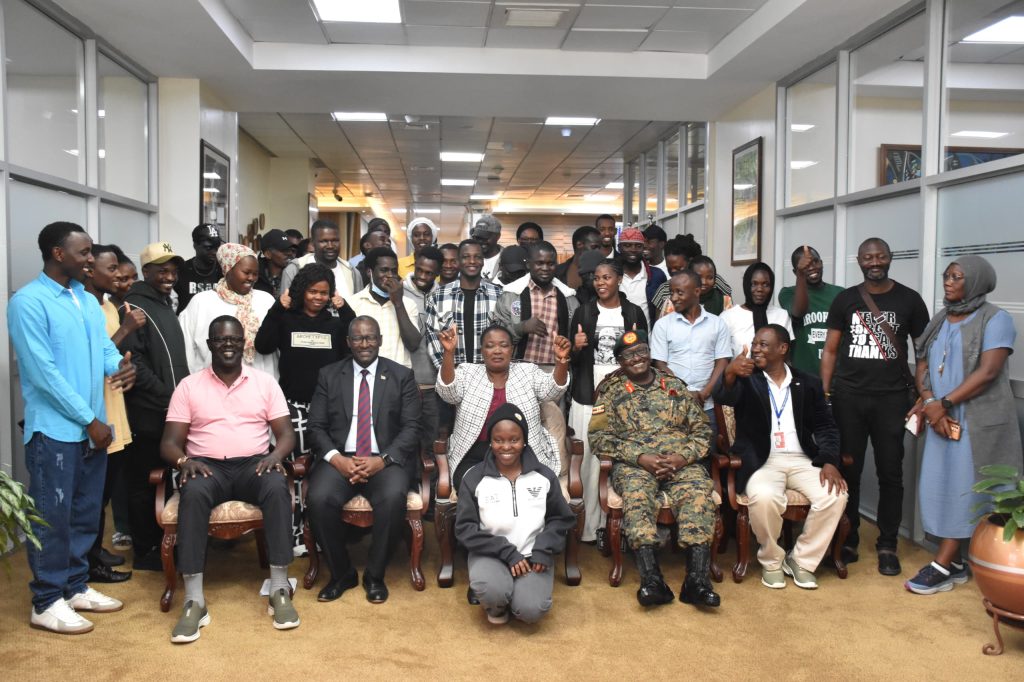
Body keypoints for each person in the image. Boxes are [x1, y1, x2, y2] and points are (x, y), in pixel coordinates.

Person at [9, 221, 136, 634]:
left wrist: (120, 367)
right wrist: (90, 420)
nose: (90, 260)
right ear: (58, 254)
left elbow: (102, 348)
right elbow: (43, 373)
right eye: (84, 253)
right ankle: (46, 600)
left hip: (93, 428)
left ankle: (76, 586)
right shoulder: (28, 302)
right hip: (56, 432)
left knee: (85, 513)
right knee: (53, 517)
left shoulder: (84, 298)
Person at [161, 316, 299, 642]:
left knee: (277, 486)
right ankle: (194, 601)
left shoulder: (265, 383)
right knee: (193, 493)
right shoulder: (189, 386)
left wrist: (275, 457)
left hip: (254, 465)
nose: (228, 345)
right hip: (207, 467)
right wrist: (184, 462)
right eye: (221, 339)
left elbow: (286, 435)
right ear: (210, 344)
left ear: (244, 344)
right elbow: (169, 442)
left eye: (235, 339)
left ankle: (279, 590)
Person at [905, 256, 1021, 595]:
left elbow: (988, 372)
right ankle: (955, 563)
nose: (948, 281)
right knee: (938, 487)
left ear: (976, 281)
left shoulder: (995, 319)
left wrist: (944, 404)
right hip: (941, 420)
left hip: (976, 422)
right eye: (947, 275)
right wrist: (930, 402)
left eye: (957, 277)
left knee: (964, 489)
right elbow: (922, 363)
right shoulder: (941, 318)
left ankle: (943, 563)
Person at [820, 237, 929, 576]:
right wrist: (825, 394)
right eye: (868, 257)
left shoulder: (910, 300)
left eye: (880, 256)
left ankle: (887, 544)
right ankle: (848, 539)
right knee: (848, 471)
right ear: (859, 261)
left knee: (890, 472)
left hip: (892, 399)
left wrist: (924, 395)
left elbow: (922, 354)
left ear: (890, 258)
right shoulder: (845, 299)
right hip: (848, 397)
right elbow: (831, 350)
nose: (875, 262)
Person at [589, 330, 719, 608]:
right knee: (637, 495)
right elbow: (598, 439)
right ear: (620, 362)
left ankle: (697, 581)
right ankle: (651, 580)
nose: (636, 358)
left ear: (649, 354)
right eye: (628, 355)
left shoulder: (674, 386)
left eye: (641, 351)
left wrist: (682, 457)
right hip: (635, 466)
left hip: (680, 462)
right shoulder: (610, 392)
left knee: (698, 493)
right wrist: (640, 458)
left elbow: (703, 431)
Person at [713, 325, 847, 590]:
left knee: (835, 495)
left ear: (782, 348)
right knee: (764, 497)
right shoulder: (747, 379)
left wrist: (830, 461)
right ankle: (772, 560)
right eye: (754, 344)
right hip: (763, 461)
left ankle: (801, 560)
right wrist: (729, 373)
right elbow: (724, 396)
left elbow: (825, 426)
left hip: (802, 459)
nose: (756, 349)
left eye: (763, 344)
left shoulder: (808, 382)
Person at [305, 316, 422, 604]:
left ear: (380, 340)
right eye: (358, 338)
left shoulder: (401, 376)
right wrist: (337, 460)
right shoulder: (329, 375)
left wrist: (383, 460)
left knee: (393, 497)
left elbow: (411, 428)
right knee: (318, 498)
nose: (364, 343)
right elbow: (315, 427)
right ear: (348, 342)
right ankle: (341, 573)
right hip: (341, 458)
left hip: (385, 460)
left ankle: (375, 575)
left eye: (370, 337)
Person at [255, 263, 354, 551]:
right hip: (294, 407)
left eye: (324, 292)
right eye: (313, 291)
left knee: (325, 470)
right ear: (301, 291)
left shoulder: (335, 324)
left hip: (329, 410)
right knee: (296, 472)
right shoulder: (287, 319)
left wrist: (345, 309)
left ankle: (322, 534)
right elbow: (262, 344)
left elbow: (357, 343)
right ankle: (297, 534)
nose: (318, 297)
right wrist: (278, 307)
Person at [455, 404, 575, 625]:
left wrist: (544, 549)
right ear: (490, 441)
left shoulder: (544, 476)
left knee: (531, 610)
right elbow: (465, 529)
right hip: (491, 554)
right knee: (492, 591)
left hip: (533, 556)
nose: (506, 446)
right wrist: (507, 552)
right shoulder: (474, 478)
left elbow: (560, 518)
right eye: (498, 440)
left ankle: (517, 596)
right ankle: (497, 604)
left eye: (514, 439)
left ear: (524, 440)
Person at [121, 242, 191, 572]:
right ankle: (146, 550)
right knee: (144, 483)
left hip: (169, 411)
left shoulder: (163, 303)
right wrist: (169, 396)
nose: (169, 276)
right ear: (145, 271)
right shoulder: (135, 306)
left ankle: (164, 543)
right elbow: (136, 365)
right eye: (162, 270)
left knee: (162, 480)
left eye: (173, 271)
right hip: (148, 413)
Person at [567, 259, 648, 541]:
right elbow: (571, 359)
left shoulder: (634, 312)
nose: (600, 283)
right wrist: (576, 348)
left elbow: (643, 358)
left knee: (622, 460)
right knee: (588, 461)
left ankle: (619, 529)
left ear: (619, 280)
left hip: (625, 397)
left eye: (606, 278)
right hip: (587, 395)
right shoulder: (583, 312)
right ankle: (589, 529)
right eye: (597, 278)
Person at [436, 324, 570, 489]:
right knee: (475, 486)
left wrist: (561, 361)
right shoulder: (468, 372)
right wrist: (449, 353)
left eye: (504, 345)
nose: (497, 351)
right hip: (474, 453)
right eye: (490, 346)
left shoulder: (528, 372)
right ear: (482, 351)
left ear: (512, 350)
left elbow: (553, 390)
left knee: (529, 487)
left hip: (522, 451)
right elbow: (448, 393)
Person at [83, 243, 146, 584]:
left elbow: (112, 355)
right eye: (112, 270)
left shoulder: (107, 305)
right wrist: (126, 328)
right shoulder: (82, 306)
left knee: (103, 492)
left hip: (115, 405)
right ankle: (89, 562)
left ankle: (94, 551)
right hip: (95, 411)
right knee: (91, 495)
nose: (119, 276)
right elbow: (91, 356)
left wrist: (126, 365)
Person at [650, 270, 733, 438]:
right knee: (672, 449)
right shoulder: (663, 325)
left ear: (697, 291)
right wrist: (685, 392)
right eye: (672, 292)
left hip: (707, 404)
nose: (673, 298)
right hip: (673, 404)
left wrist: (706, 392)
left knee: (708, 450)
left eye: (679, 292)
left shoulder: (717, 324)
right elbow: (659, 364)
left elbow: (722, 361)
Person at [179, 243, 278, 377]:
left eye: (255, 274)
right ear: (227, 270)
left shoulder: (265, 300)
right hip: (211, 383)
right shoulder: (202, 302)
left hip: (259, 383)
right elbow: (187, 349)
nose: (251, 278)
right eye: (246, 272)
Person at [424, 239, 504, 369]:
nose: (472, 261)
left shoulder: (499, 295)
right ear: (458, 261)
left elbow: (505, 339)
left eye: (477, 257)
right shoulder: (437, 297)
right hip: (452, 375)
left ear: (483, 261)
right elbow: (433, 338)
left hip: (490, 375)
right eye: (466, 257)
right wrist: (449, 373)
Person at [347, 247, 422, 369]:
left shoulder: (408, 304)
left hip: (399, 375)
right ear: (369, 272)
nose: (390, 275)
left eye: (394, 271)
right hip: (365, 374)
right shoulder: (353, 303)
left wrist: (398, 303)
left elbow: (413, 344)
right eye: (384, 270)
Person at [402, 247, 445, 452]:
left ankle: (429, 473)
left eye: (429, 273)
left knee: (431, 440)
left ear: (437, 274)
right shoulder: (400, 293)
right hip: (406, 381)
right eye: (419, 270)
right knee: (405, 438)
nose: (422, 276)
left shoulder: (444, 295)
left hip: (434, 385)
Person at [778, 245, 843, 376]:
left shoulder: (840, 293)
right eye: (805, 265)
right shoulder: (787, 293)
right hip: (804, 377)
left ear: (821, 263)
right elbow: (798, 312)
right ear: (795, 272)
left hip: (837, 375)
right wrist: (801, 275)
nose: (812, 267)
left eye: (815, 261)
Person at [280, 219, 361, 304]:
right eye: (324, 241)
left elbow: (359, 307)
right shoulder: (295, 269)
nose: (330, 246)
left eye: (335, 241)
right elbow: (285, 306)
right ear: (312, 243)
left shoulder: (352, 272)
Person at [720, 262, 793, 356]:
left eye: (765, 284)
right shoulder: (728, 317)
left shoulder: (782, 315)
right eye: (754, 284)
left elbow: (788, 356)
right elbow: (720, 358)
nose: (760, 289)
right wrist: (733, 365)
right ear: (746, 285)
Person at [618, 228, 667, 324]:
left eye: (638, 246)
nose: (633, 249)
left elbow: (664, 309)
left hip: (648, 333)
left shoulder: (657, 275)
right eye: (627, 245)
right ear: (619, 248)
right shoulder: (611, 274)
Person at [174, 224, 223, 314]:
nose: (214, 252)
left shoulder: (224, 271)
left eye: (217, 247)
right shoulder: (181, 270)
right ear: (195, 245)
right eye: (208, 248)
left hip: (217, 321)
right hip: (188, 322)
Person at [555, 225, 601, 289]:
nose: (598, 251)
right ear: (579, 244)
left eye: (599, 248)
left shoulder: (602, 271)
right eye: (594, 247)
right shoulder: (557, 272)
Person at [254, 229, 293, 298]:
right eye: (284, 250)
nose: (289, 253)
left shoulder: (294, 273)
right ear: (268, 254)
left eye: (290, 249)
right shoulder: (255, 277)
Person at [472, 214, 503, 282]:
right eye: (478, 237)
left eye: (485, 238)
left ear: (498, 236)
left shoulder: (507, 258)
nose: (480, 241)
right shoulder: (469, 259)